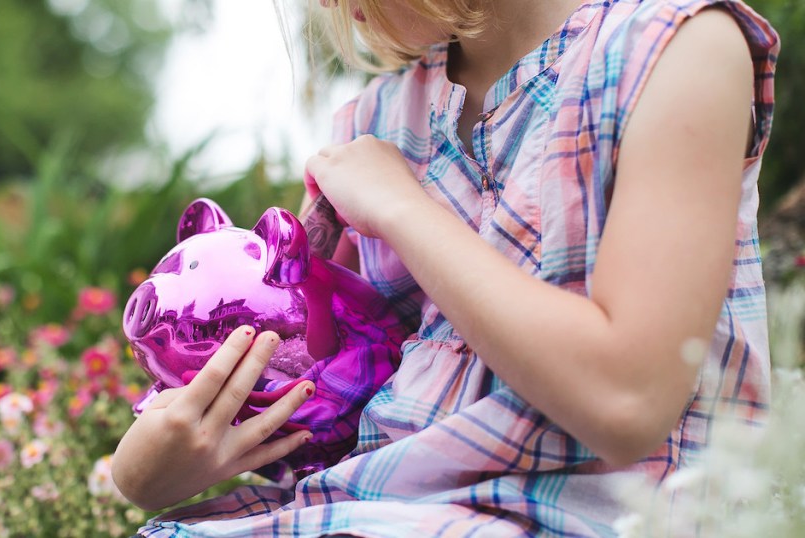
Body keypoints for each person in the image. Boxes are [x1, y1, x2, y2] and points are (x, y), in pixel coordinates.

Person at [112, 0, 779, 534]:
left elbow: (628, 405)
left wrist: (405, 210)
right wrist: (149, 471)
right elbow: (322, 393)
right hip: (364, 508)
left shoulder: (673, 50)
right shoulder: (373, 125)